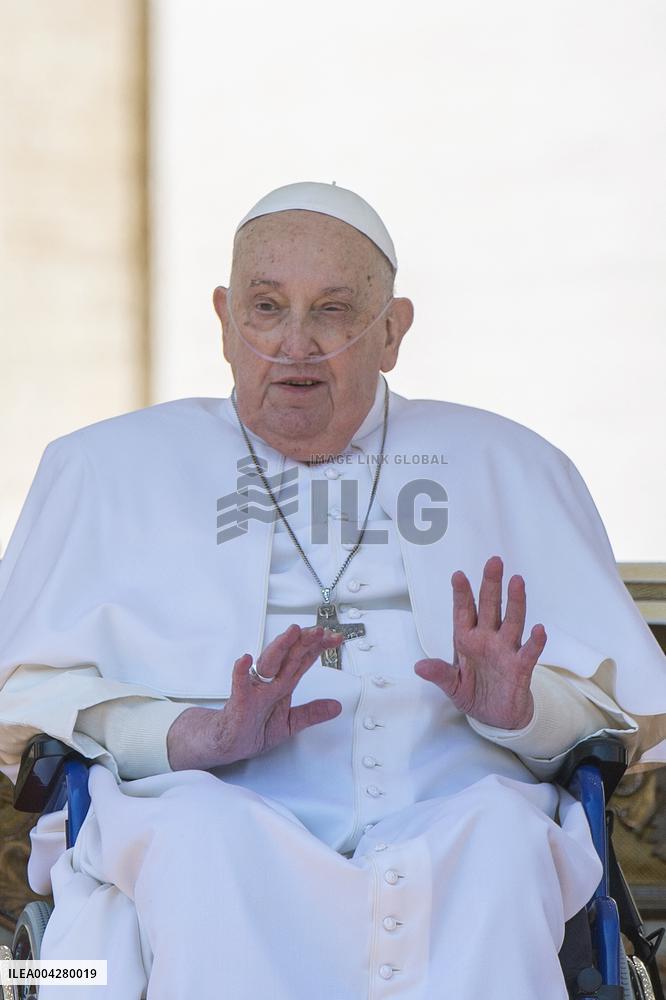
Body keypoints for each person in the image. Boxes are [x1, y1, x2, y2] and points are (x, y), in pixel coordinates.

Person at [0, 181, 665, 1000]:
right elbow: (27, 706)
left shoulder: (511, 465)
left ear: (393, 330)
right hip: (200, 811)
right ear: (222, 321)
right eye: (267, 308)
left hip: (456, 824)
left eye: (334, 311)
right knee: (200, 840)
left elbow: (618, 724)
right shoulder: (104, 469)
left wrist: (523, 712)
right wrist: (190, 736)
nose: (295, 344)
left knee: (503, 839)